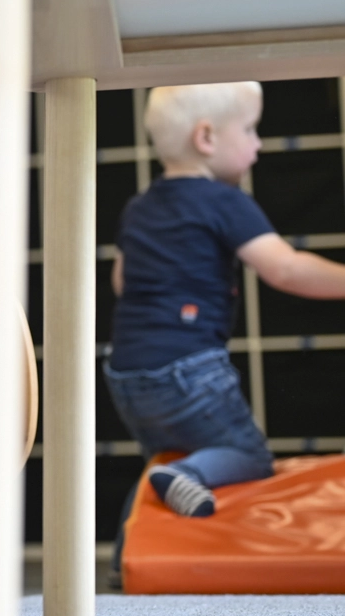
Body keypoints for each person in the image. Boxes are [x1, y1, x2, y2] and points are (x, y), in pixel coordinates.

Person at [109, 82, 345, 519]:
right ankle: (187, 475)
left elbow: (122, 281)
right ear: (206, 137)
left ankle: (133, 545)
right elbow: (285, 269)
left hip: (126, 372)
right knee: (247, 456)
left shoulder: (140, 206)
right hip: (189, 369)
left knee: (162, 465)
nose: (258, 145)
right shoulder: (224, 201)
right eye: (250, 130)